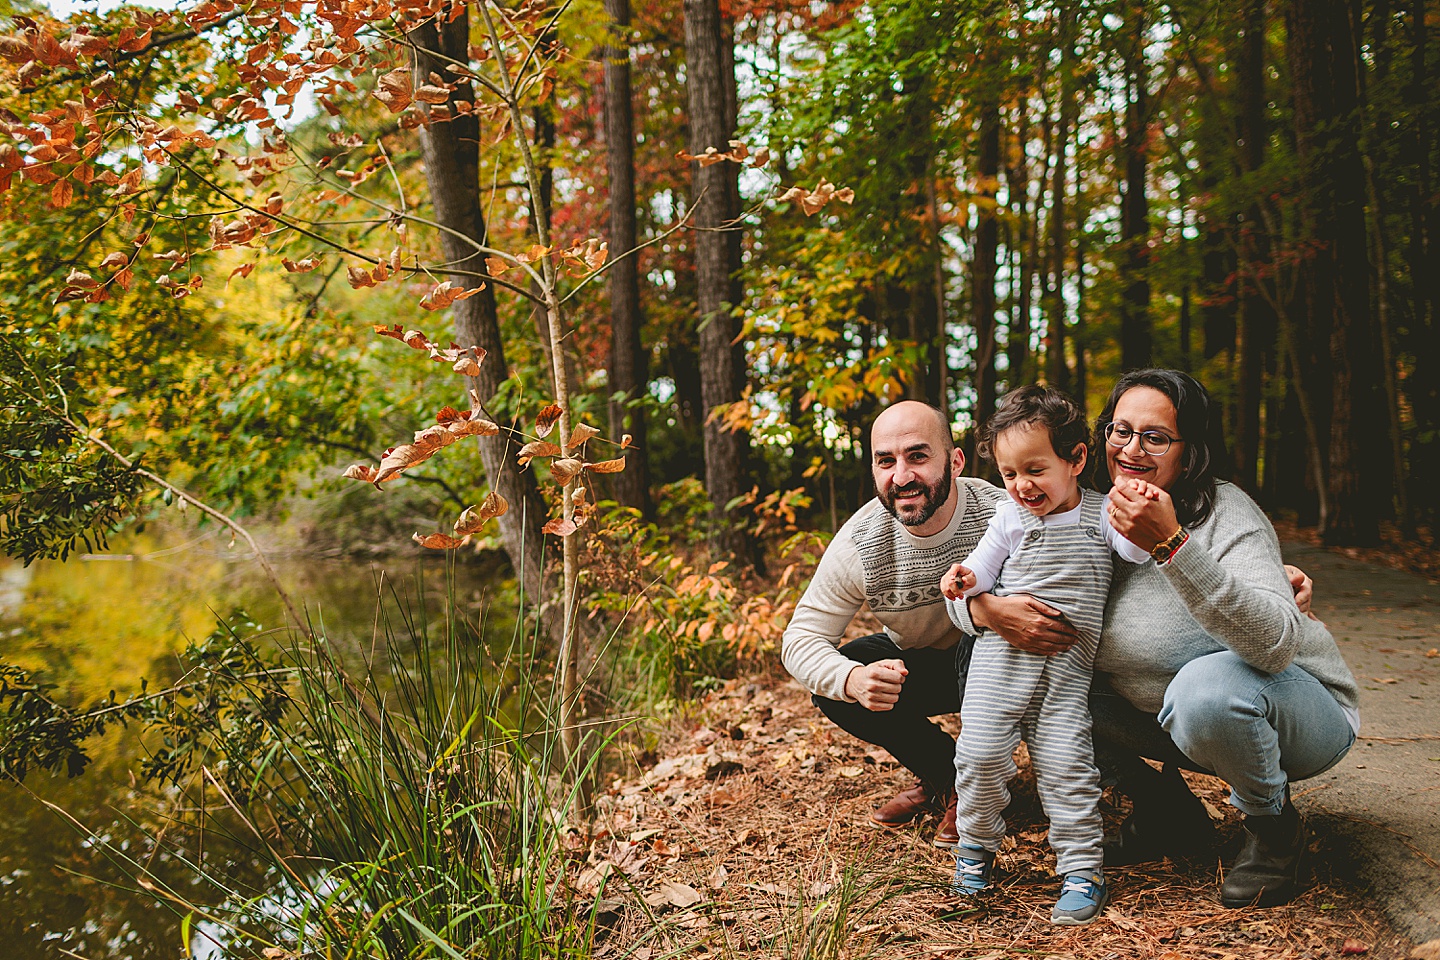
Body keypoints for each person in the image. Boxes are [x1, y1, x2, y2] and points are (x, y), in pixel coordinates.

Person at [950, 369, 1359, 909]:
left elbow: (1277, 644)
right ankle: (1163, 808)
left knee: (1206, 688)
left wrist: (1173, 545)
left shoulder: (1226, 514)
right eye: (1120, 430)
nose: (1132, 448)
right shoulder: (1077, 507)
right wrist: (984, 608)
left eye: (1155, 437)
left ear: (1190, 451)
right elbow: (984, 579)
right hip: (1169, 717)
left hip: (1290, 711)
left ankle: (1273, 828)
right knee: (1020, 670)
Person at [938, 385, 1150, 924]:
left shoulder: (1102, 516)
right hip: (998, 663)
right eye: (1009, 475)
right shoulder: (1009, 518)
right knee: (980, 757)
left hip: (1065, 676)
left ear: (1076, 458)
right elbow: (979, 574)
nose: (1021, 486)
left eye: (1034, 469)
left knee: (1068, 769)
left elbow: (1133, 549)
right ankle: (976, 850)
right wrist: (963, 579)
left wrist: (1140, 506)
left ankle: (1082, 869)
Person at [781, 400, 1005, 848]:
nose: (901, 477)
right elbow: (800, 638)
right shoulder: (860, 542)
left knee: (984, 643)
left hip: (999, 664)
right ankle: (946, 774)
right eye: (886, 461)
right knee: (844, 673)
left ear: (955, 461)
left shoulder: (1001, 513)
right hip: (926, 663)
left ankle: (984, 790)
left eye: (918, 456)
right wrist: (854, 679)